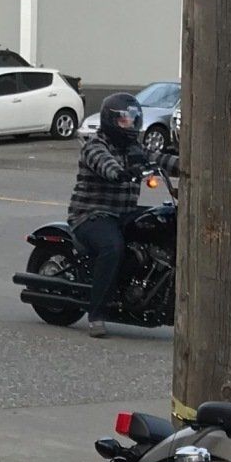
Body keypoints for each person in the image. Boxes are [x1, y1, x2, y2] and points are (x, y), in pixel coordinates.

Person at [68, 91, 148, 333]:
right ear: (111, 120)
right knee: (112, 247)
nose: (131, 124)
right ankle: (97, 314)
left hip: (123, 215)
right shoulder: (96, 145)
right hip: (91, 214)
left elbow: (158, 158)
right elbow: (105, 164)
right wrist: (120, 173)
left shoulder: (134, 148)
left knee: (160, 225)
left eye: (134, 119)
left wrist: (188, 165)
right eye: (125, 120)